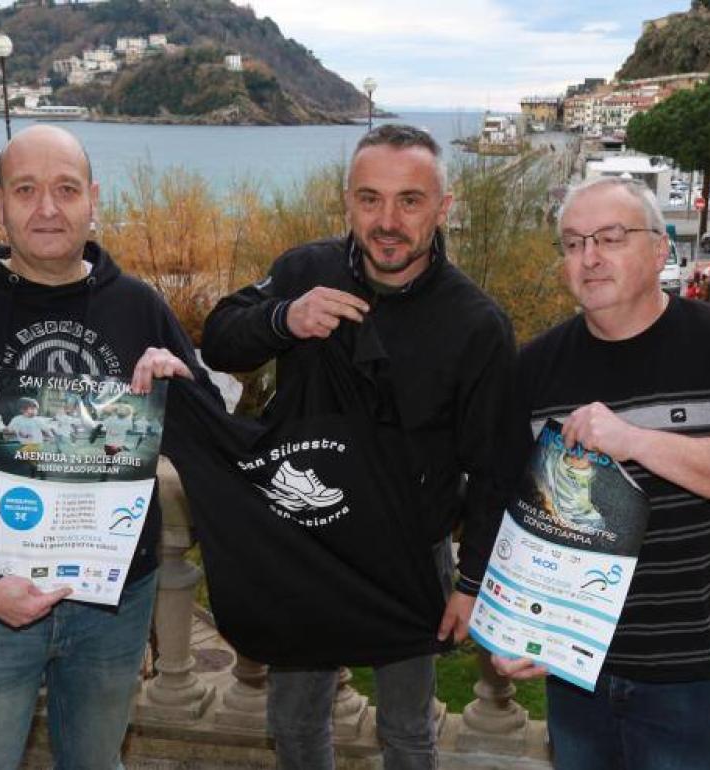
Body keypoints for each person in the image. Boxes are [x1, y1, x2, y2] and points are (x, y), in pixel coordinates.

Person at [200, 124, 522, 770]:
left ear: (442, 208)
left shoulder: (476, 323)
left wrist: (472, 581)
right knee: (293, 719)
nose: (388, 221)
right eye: (370, 199)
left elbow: (494, 469)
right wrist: (283, 318)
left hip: (411, 553)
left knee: (407, 729)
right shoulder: (303, 270)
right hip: (307, 543)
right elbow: (218, 340)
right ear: (347, 201)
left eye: (409, 201)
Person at [0, 125, 209, 770]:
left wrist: (181, 381)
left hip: (112, 605)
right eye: (26, 189)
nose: (46, 208)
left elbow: (209, 427)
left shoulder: (137, 304)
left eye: (65, 189)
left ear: (93, 199)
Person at [497, 176, 710, 770]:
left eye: (610, 237)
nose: (590, 257)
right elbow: (518, 510)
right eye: (574, 242)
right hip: (576, 671)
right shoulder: (535, 366)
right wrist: (516, 628)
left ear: (660, 251)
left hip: (684, 675)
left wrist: (634, 440)